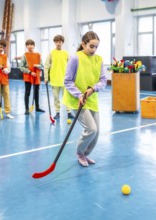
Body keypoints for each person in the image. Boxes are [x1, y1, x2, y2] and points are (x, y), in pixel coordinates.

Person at [62, 31, 107, 167]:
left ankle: (85, 154)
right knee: (91, 129)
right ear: (83, 44)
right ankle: (80, 153)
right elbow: (68, 80)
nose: (94, 50)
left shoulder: (99, 59)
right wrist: (79, 94)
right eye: (91, 46)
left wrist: (93, 88)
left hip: (92, 99)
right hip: (77, 100)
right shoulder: (75, 58)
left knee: (97, 132)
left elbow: (103, 80)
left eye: (96, 47)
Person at [44, 35, 74, 120]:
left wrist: (71, 77)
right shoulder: (51, 53)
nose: (58, 43)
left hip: (65, 80)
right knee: (56, 98)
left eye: (60, 42)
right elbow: (46, 66)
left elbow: (71, 66)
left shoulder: (66, 53)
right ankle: (57, 112)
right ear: (54, 43)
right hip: (54, 80)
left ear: (62, 43)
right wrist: (46, 78)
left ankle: (69, 112)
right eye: (56, 42)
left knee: (67, 97)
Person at [19, 39, 45, 115]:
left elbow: (42, 65)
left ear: (34, 46)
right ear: (26, 46)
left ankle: (37, 107)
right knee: (27, 92)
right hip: (28, 76)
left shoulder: (38, 55)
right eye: (28, 45)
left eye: (31, 44)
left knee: (36, 92)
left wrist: (37, 65)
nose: (30, 46)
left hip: (36, 76)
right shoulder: (25, 55)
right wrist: (30, 72)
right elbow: (21, 67)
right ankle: (26, 109)